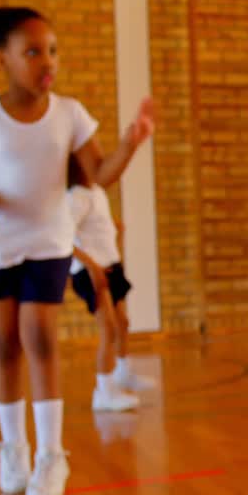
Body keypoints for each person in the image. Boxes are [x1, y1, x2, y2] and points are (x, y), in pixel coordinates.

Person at [0, 6, 153, 495]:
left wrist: (130, 143)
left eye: (52, 51)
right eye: (33, 52)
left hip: (46, 244)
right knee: (5, 347)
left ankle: (51, 455)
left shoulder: (70, 114)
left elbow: (99, 174)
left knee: (40, 339)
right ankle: (14, 449)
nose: (47, 61)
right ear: (2, 57)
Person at [66, 155, 154, 413]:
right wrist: (91, 266)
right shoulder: (76, 197)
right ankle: (103, 392)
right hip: (92, 271)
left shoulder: (96, 193)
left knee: (122, 323)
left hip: (110, 264)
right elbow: (62, 237)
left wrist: (113, 228)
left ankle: (122, 372)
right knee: (109, 328)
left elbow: (94, 227)